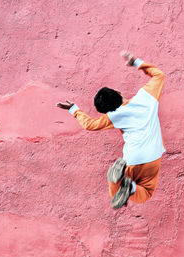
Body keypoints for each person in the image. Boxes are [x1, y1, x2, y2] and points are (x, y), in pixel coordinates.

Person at [57, 51, 165, 209]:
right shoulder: (146, 97)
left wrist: (74, 109)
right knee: (147, 192)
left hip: (132, 158)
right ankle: (130, 187)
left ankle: (123, 182)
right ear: (119, 93)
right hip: (153, 156)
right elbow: (158, 75)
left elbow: (90, 125)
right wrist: (136, 62)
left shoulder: (114, 116)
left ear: (108, 111)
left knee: (116, 192)